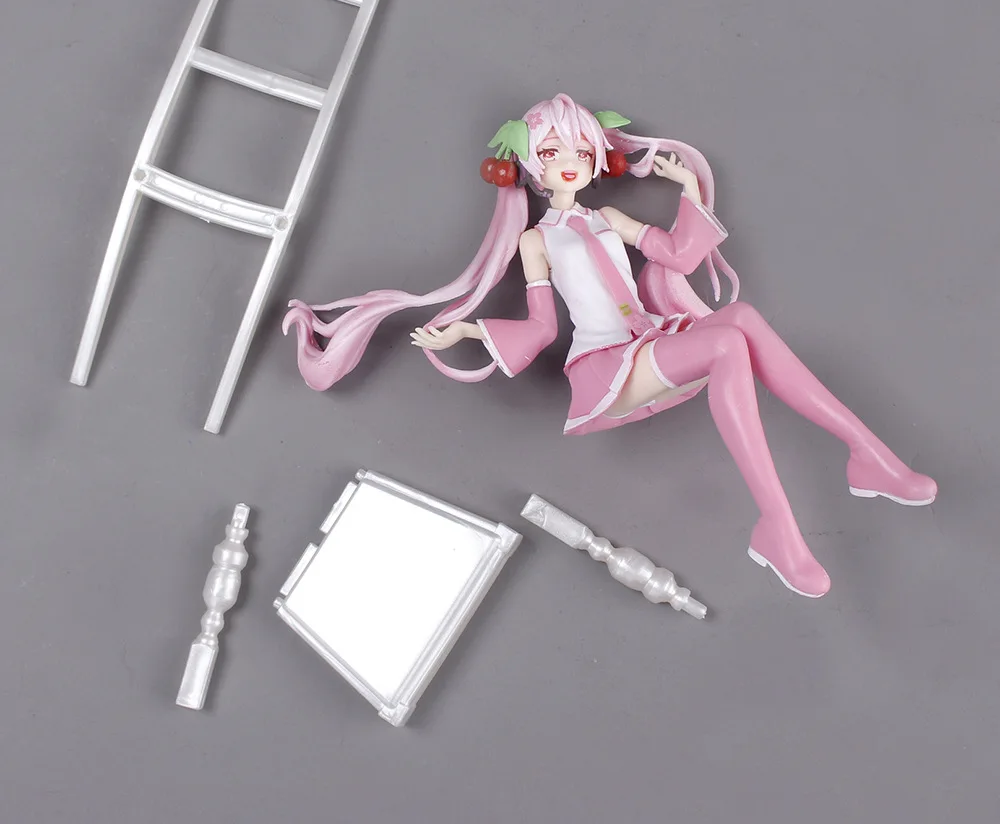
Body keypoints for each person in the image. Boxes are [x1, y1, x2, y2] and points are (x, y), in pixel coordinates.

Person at [283, 93, 936, 597]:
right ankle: (784, 524)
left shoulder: (611, 218)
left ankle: (866, 459)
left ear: (596, 155)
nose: (566, 161)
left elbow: (679, 256)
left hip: (648, 341)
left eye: (577, 148)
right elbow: (543, 327)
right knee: (728, 345)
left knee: (740, 319)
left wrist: (688, 190)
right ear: (532, 166)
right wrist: (469, 330)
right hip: (605, 368)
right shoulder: (537, 240)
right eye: (550, 152)